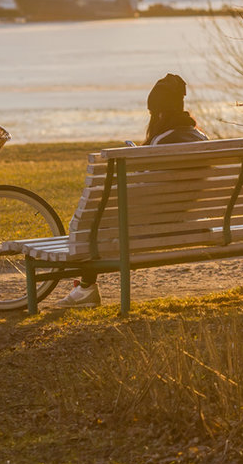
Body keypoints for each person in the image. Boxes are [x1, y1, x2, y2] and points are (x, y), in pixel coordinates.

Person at [56, 73, 208, 308]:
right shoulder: (201, 138)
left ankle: (86, 288)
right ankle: (85, 288)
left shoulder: (162, 142)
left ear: (158, 113)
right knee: (100, 220)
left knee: (94, 221)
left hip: (159, 224)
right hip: (190, 218)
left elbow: (148, 190)